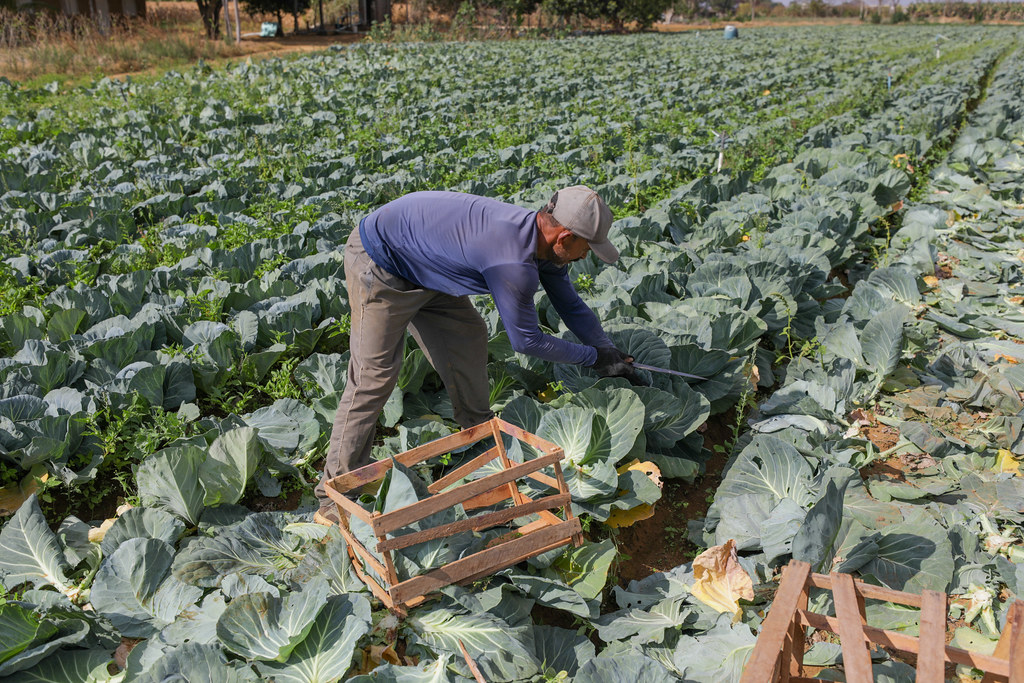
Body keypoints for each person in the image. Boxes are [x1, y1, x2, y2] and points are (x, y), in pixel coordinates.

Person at [314, 186, 644, 525]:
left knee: (468, 334)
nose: (585, 256)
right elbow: (527, 341)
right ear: (564, 237)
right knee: (373, 377)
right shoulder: (513, 261)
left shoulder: (543, 244)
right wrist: (592, 358)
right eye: (586, 247)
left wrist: (604, 347)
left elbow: (569, 304)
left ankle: (478, 436)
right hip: (382, 262)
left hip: (426, 263)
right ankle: (333, 497)